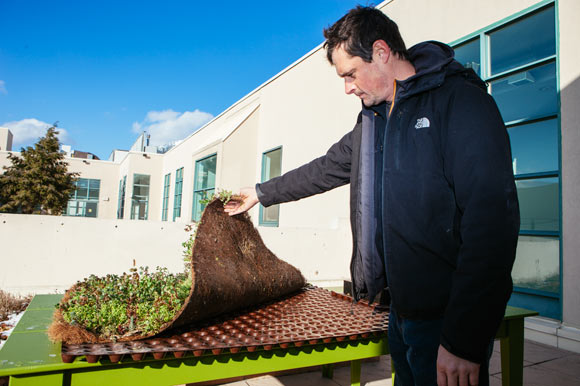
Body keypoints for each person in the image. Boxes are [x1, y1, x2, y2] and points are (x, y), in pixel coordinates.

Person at [224, 6, 519, 386]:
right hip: (399, 315)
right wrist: (261, 193)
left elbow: (492, 226)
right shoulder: (372, 122)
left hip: (447, 321)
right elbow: (324, 169)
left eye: (350, 74)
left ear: (381, 52)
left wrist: (464, 339)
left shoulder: (460, 102)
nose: (347, 87)